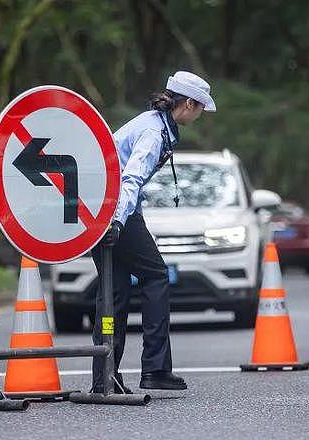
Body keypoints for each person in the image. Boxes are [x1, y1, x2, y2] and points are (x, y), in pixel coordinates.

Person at [91, 71, 216, 393]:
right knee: (156, 275)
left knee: (114, 291)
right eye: (201, 108)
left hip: (98, 209)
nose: (200, 115)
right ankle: (156, 369)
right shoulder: (153, 133)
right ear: (188, 104)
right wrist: (119, 222)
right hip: (113, 211)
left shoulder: (153, 122)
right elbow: (130, 179)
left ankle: (104, 377)